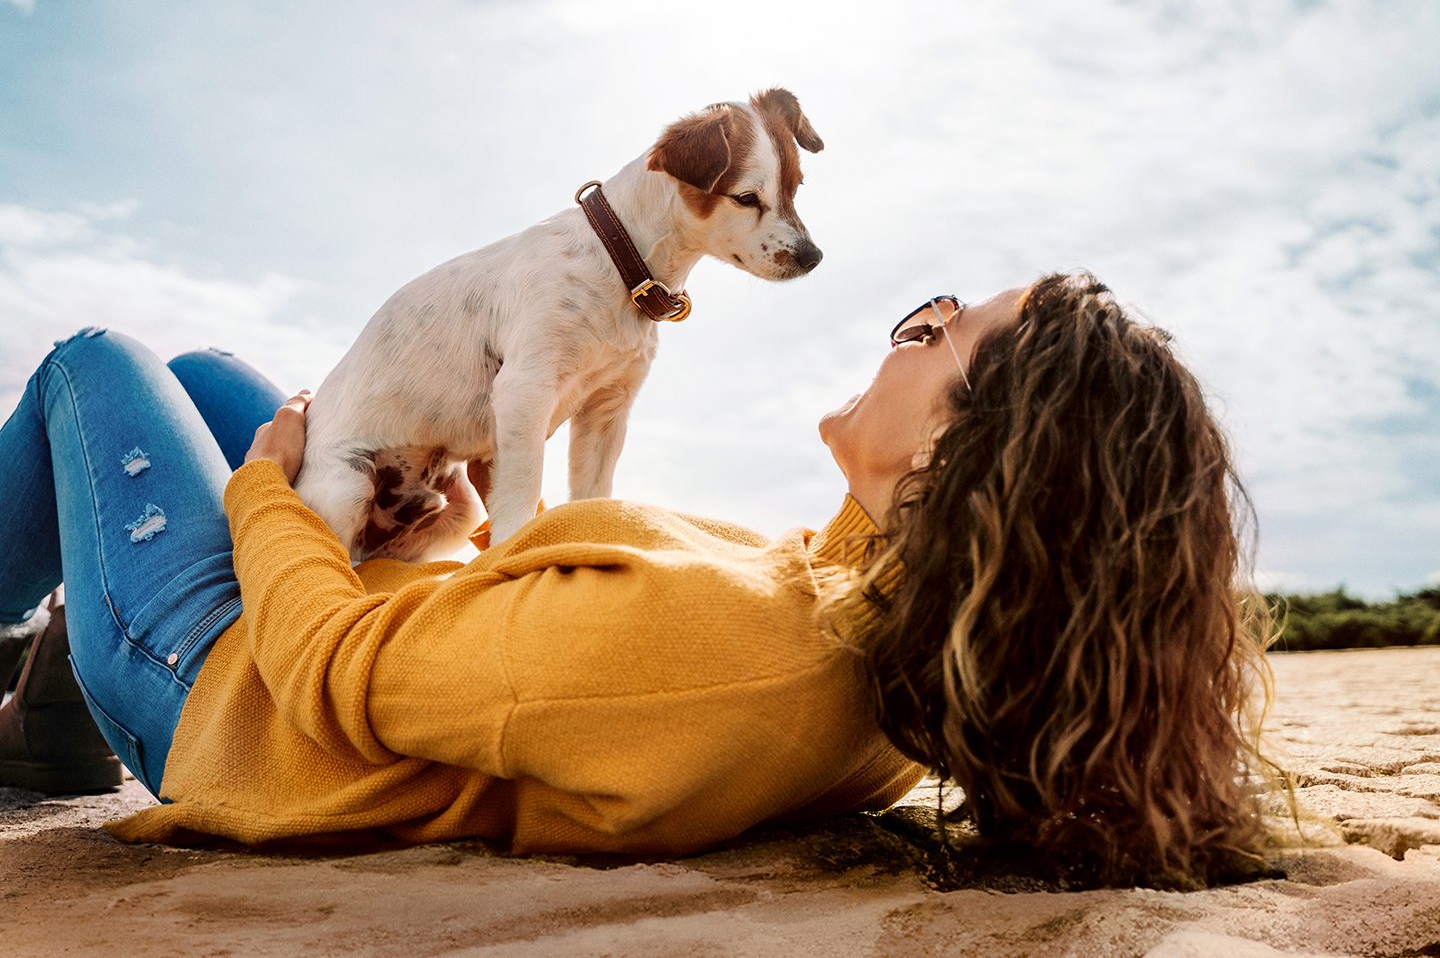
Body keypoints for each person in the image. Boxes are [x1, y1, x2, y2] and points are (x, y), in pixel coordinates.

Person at [0, 271, 1278, 886]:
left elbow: (339, 675)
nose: (905, 330)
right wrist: (439, 550)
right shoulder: (870, 627)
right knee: (228, 382)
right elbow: (523, 687)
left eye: (936, 335)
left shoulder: (735, 646)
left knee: (96, 362)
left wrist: (268, 499)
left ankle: (65, 671)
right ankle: (47, 732)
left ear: (967, 452)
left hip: (229, 697)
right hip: (331, 665)